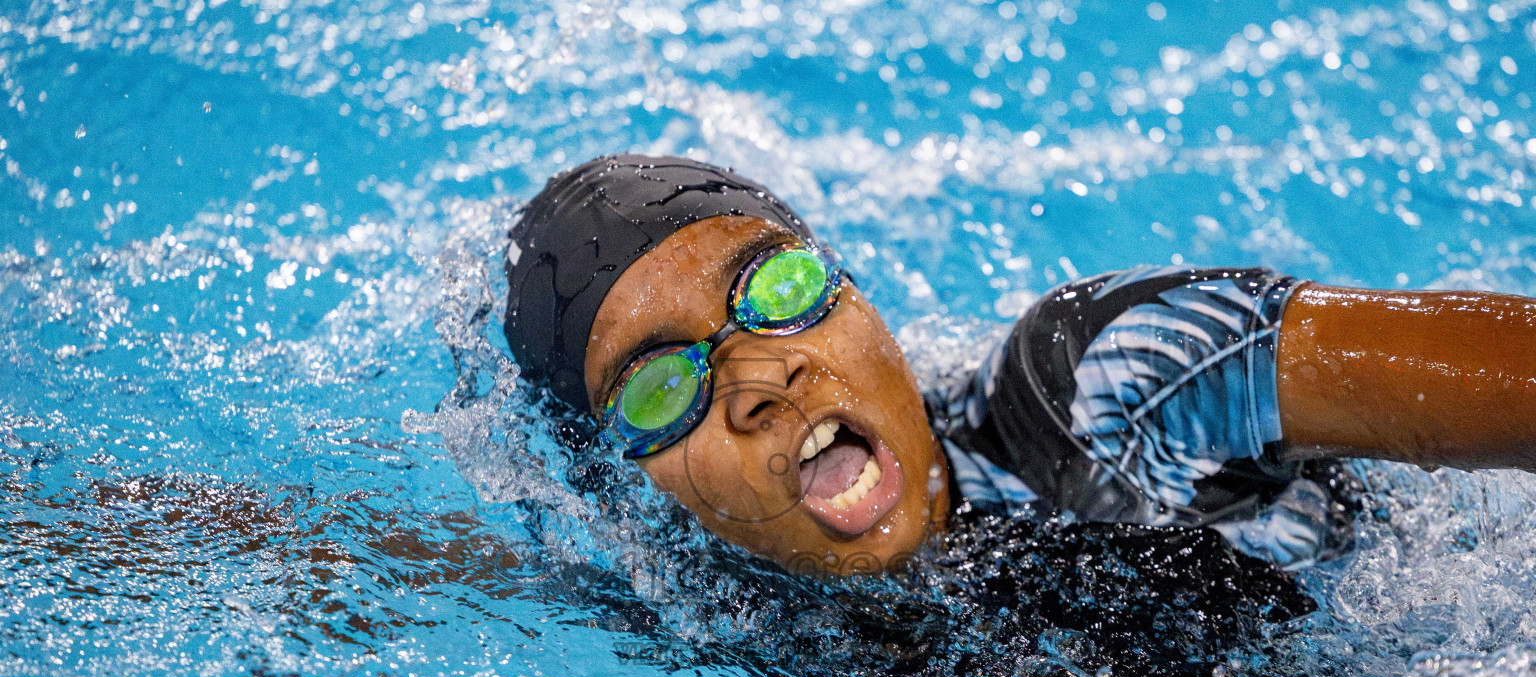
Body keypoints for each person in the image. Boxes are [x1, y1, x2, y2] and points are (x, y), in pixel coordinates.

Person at [502, 154, 1536, 575]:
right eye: (659, 386)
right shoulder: (699, 596)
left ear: (855, 292)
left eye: (774, 290)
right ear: (621, 478)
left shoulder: (1101, 387)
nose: (760, 376)